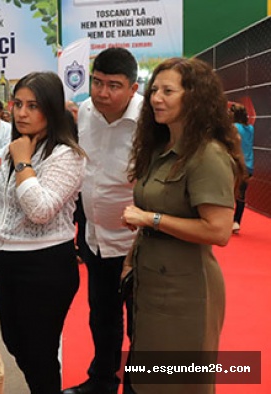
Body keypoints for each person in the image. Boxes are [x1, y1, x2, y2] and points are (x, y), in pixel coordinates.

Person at [122, 57, 243, 394]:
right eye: (154, 90)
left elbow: (218, 231)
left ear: (194, 97)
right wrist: (130, 261)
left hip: (185, 293)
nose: (156, 98)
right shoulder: (161, 150)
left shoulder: (207, 155)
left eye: (168, 91)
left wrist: (151, 219)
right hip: (151, 286)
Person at [0, 72, 86, 393]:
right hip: (8, 262)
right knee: (15, 342)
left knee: (40, 354)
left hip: (45, 266)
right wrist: (18, 156)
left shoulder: (66, 154)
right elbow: (7, 207)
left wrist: (22, 163)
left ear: (51, 109)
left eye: (33, 106)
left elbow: (40, 209)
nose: (21, 113)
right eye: (18, 104)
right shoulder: (16, 146)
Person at [63, 47, 143, 394]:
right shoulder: (86, 113)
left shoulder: (151, 122)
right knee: (102, 317)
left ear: (133, 88)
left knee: (142, 325)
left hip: (137, 245)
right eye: (97, 82)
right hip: (95, 239)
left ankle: (140, 386)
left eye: (113, 85)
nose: (102, 93)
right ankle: (102, 381)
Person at [229, 102, 254, 233]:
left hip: (235, 164)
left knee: (228, 193)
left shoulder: (233, 127)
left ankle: (227, 220)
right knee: (241, 195)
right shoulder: (250, 128)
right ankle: (236, 222)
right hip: (249, 166)